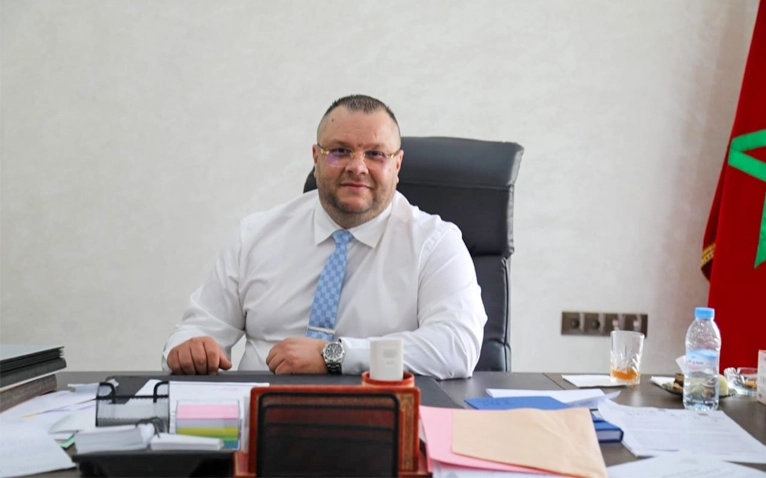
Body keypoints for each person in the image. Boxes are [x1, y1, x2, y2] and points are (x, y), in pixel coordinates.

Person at [162, 94, 487, 379]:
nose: (357, 167)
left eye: (375, 154)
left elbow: (456, 346)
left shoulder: (435, 243)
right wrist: (188, 349)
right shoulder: (256, 235)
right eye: (340, 151)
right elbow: (197, 329)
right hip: (261, 414)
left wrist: (335, 356)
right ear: (316, 158)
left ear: (397, 165)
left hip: (377, 414)